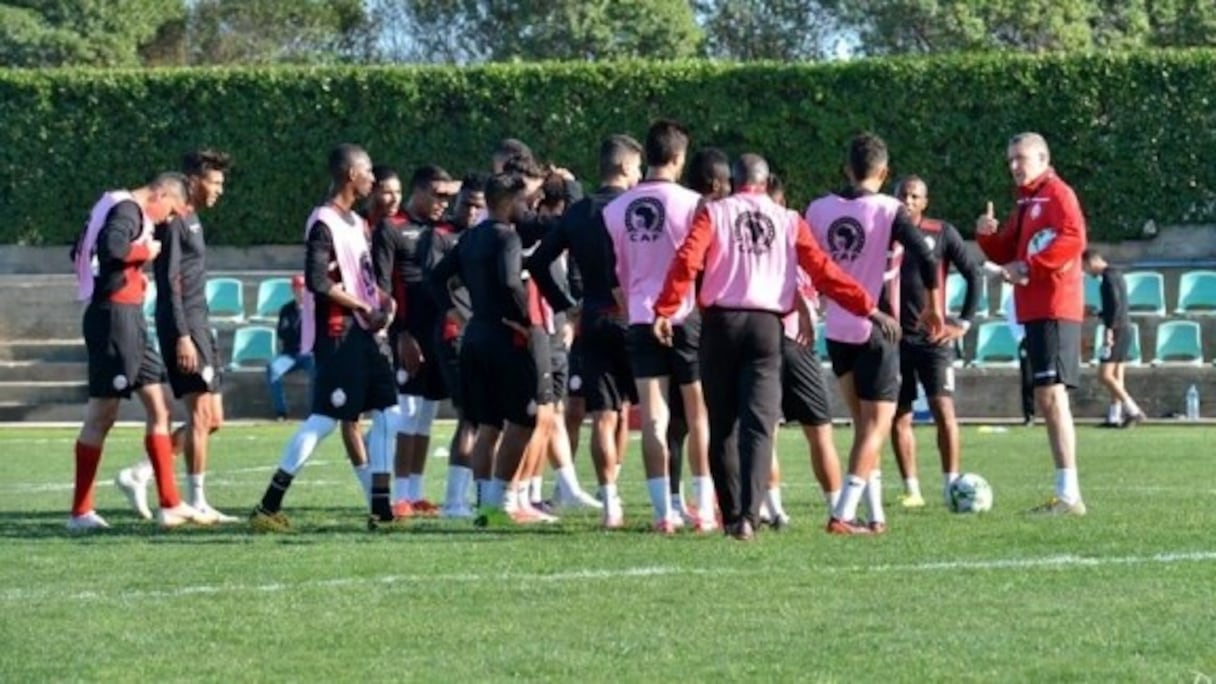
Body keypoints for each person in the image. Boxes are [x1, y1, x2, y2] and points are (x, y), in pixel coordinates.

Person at [654, 153, 885, 541]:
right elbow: (825, 271)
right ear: (764, 182)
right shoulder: (788, 218)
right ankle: (749, 516)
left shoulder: (715, 213)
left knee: (722, 424)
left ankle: (731, 517)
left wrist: (666, 307)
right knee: (759, 425)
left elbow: (686, 260)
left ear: (733, 181)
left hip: (720, 324)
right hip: (766, 326)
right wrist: (868, 307)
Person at [250, 143, 399, 533]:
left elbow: (363, 279)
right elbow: (318, 282)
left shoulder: (356, 222)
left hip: (365, 332)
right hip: (339, 334)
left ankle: (381, 510)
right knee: (326, 419)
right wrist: (362, 308)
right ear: (351, 174)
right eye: (368, 172)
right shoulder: (323, 222)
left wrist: (384, 301)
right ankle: (269, 505)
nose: (373, 178)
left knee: (387, 411)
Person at [806, 132, 944, 536]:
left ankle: (876, 514)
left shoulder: (816, 209)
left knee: (863, 425)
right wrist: (936, 307)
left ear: (847, 168)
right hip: (877, 326)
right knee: (875, 426)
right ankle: (844, 514)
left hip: (836, 330)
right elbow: (927, 253)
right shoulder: (890, 209)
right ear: (884, 172)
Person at [67, 172, 207, 530]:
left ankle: (170, 503)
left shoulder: (113, 203)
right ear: (160, 194)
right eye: (171, 210)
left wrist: (131, 275)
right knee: (102, 414)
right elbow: (113, 248)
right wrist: (146, 252)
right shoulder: (129, 210)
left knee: (160, 407)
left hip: (128, 316)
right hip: (115, 319)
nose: (170, 219)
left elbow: (81, 250)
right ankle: (80, 513)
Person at [604, 120, 715, 534]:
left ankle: (661, 514)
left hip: (640, 316)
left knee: (652, 418)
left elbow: (616, 272)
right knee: (698, 413)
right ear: (679, 158)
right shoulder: (693, 203)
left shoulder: (615, 209)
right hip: (685, 314)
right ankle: (703, 510)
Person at [527, 134, 643, 529]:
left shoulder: (578, 213)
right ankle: (671, 501)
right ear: (626, 167)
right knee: (649, 412)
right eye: (638, 167)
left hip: (593, 316)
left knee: (603, 415)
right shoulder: (638, 207)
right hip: (636, 317)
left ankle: (610, 501)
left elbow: (540, 261)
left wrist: (566, 305)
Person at [114, 149, 236, 523]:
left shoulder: (192, 217)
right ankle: (197, 500)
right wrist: (182, 335)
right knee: (199, 414)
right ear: (195, 180)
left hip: (201, 323)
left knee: (213, 418)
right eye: (214, 182)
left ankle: (141, 473)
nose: (219, 190)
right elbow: (168, 283)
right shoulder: (174, 221)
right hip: (183, 326)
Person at [976, 132, 1088, 516]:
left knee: (1053, 396)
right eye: (1010, 159)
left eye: (1020, 158)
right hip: (1036, 308)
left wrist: (1030, 267)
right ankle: (1067, 492)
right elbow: (1008, 248)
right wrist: (987, 237)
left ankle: (1069, 495)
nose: (1013, 166)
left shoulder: (1057, 194)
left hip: (1055, 305)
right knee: (1047, 396)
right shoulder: (1026, 200)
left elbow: (1074, 238)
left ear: (1043, 158)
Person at [428, 172, 544, 525]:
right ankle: (502, 501)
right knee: (524, 418)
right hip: (507, 337)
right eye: (524, 202)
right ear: (509, 202)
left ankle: (484, 504)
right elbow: (511, 281)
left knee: (487, 423)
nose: (526, 208)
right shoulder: (507, 236)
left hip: (476, 335)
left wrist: (453, 311)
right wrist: (527, 318)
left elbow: (436, 277)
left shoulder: (470, 237)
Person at [889, 175, 984, 508]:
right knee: (899, 415)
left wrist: (963, 323)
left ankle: (950, 485)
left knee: (943, 409)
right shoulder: (882, 233)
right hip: (895, 339)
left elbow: (974, 274)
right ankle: (912, 489)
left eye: (916, 196)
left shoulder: (941, 232)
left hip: (934, 339)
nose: (909, 201)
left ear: (925, 202)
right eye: (903, 194)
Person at [371, 165, 457, 516]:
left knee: (425, 416)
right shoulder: (391, 229)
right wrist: (401, 333)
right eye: (437, 195)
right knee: (405, 414)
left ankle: (415, 491)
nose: (443, 203)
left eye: (447, 197)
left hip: (436, 334)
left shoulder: (442, 230)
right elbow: (382, 286)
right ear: (418, 191)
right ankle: (398, 494)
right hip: (407, 335)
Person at [418, 172, 485, 517]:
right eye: (466, 205)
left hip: (479, 334)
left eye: (478, 206)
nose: (471, 212)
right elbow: (434, 280)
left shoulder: (482, 236)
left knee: (484, 418)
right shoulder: (440, 237)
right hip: (453, 334)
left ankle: (478, 496)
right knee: (471, 417)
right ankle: (454, 500)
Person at [1083, 250, 1144, 427]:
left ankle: (1133, 410)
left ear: (1092, 261)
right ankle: (1114, 416)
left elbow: (1115, 304)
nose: (1087, 272)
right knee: (1117, 374)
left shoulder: (1107, 278)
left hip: (1116, 329)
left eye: (1085, 267)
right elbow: (1116, 306)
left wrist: (1109, 330)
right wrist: (1098, 313)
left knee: (1105, 375)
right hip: (1125, 327)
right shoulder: (1117, 274)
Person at [266, 275, 315, 420]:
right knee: (273, 368)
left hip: (310, 353)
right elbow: (282, 333)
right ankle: (281, 411)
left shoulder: (314, 308)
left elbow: (315, 333)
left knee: (317, 370)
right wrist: (299, 322)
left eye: (302, 288)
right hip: (290, 354)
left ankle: (314, 411)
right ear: (293, 290)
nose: (300, 291)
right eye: (297, 288)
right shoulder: (286, 309)